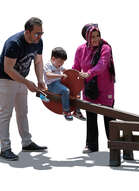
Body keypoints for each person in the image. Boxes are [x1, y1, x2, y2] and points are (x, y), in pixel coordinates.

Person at [0, 17, 47, 161]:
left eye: (41, 33)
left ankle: (26, 142)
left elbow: (38, 61)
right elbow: (8, 69)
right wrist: (27, 83)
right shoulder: (14, 43)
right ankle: (5, 149)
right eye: (37, 33)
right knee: (6, 113)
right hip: (5, 79)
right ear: (27, 32)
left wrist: (40, 80)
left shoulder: (38, 42)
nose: (39, 36)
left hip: (21, 79)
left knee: (22, 111)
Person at [72, 23, 116, 153]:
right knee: (91, 116)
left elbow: (102, 65)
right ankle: (91, 145)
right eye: (92, 37)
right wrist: (70, 81)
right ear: (87, 38)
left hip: (105, 87)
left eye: (97, 36)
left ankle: (114, 145)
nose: (96, 39)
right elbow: (76, 67)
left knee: (109, 116)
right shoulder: (81, 50)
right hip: (89, 88)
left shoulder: (105, 48)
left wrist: (89, 73)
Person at [43, 47, 73, 121]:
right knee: (65, 91)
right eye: (60, 61)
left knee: (73, 87)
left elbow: (65, 70)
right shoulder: (48, 65)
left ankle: (77, 110)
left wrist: (72, 73)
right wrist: (60, 75)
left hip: (59, 82)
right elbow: (48, 74)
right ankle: (66, 111)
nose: (61, 64)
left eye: (63, 62)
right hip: (52, 85)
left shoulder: (58, 64)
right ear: (53, 59)